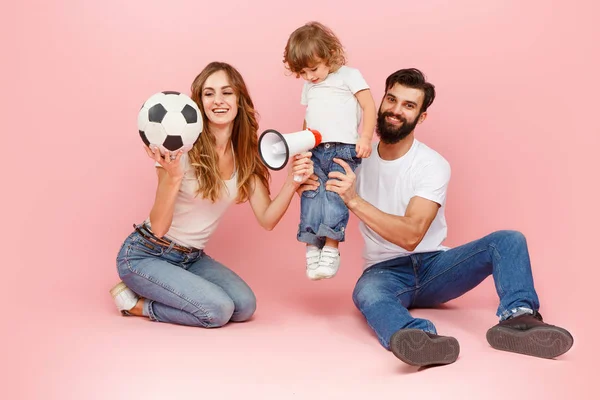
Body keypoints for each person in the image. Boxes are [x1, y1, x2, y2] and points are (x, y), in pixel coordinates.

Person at [303, 68, 573, 366]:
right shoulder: (354, 156)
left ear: (421, 117)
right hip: (384, 271)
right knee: (366, 292)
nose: (395, 110)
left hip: (437, 267)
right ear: (379, 103)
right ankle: (419, 340)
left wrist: (353, 200)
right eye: (391, 100)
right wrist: (304, 179)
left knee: (508, 240)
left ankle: (519, 319)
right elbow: (318, 197)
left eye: (408, 105)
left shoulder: (431, 165)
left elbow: (411, 235)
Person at [109, 61, 313, 328]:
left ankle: (171, 288)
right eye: (209, 93)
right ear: (199, 103)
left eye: (227, 92)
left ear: (240, 99)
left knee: (245, 307)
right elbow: (158, 227)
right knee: (217, 311)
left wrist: (292, 182)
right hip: (145, 254)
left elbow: (267, 219)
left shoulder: (245, 157)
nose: (218, 100)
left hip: (191, 258)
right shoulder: (179, 148)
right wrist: (173, 176)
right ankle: (137, 305)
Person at [282, 21, 377, 280]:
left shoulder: (349, 75)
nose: (310, 76)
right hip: (315, 149)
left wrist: (365, 137)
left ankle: (332, 248)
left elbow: (369, 106)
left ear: (330, 55)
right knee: (312, 193)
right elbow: (309, 118)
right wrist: (302, 146)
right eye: (303, 72)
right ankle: (312, 246)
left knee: (335, 195)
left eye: (313, 69)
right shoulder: (309, 86)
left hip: (344, 149)